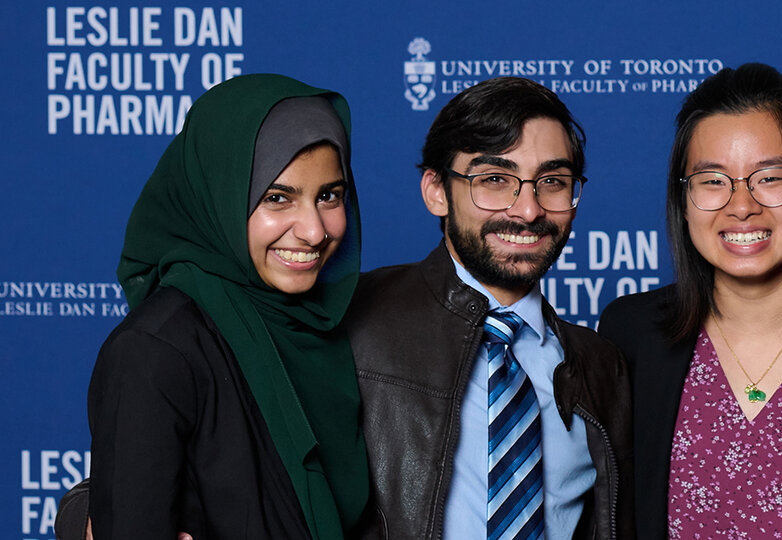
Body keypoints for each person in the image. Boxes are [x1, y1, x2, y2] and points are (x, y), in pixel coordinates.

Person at [597, 63, 782, 539]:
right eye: (712, 180)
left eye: (770, 178)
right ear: (683, 200)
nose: (741, 206)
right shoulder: (631, 335)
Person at [345, 77, 633, 539]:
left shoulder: (602, 367)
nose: (527, 210)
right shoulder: (352, 322)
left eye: (553, 182)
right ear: (436, 190)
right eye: (495, 180)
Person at [85, 74, 369, 539]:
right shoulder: (155, 351)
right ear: (217, 195)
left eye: (329, 196)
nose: (314, 231)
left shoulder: (335, 327)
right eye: (277, 198)